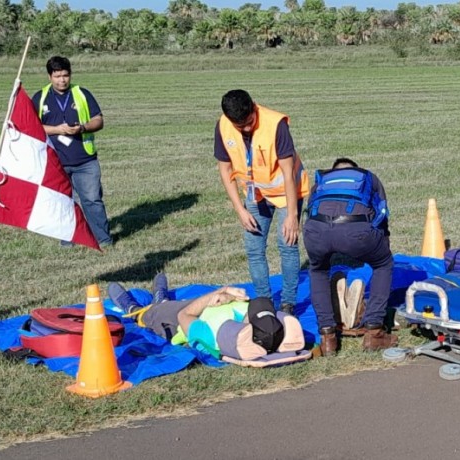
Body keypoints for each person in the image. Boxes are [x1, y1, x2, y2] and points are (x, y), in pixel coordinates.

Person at [214, 90, 309, 316]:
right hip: (255, 194)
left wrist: (292, 215)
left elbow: (288, 173)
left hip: (286, 193)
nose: (246, 129)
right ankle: (264, 303)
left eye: (249, 122)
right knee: (254, 249)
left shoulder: (276, 125)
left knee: (287, 245)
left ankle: (288, 304)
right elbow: (225, 169)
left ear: (254, 107)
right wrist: (240, 209)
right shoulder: (223, 126)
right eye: (240, 126)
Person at [303, 158, 395, 355]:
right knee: (383, 264)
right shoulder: (368, 178)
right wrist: (382, 243)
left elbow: (310, 210)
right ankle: (374, 331)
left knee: (318, 270)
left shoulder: (320, 181)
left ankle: (327, 337)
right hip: (354, 229)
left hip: (315, 231)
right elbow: (382, 213)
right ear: (355, 170)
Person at [107, 273, 304, 361]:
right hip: (209, 307)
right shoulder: (263, 324)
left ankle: (134, 307)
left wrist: (220, 292)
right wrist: (231, 297)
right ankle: (161, 298)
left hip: (178, 320)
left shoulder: (212, 336)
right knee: (179, 303)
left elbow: (185, 314)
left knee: (156, 313)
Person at [32, 56, 112, 247]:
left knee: (92, 200)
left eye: (65, 75)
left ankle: (103, 239)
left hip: (85, 161)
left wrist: (82, 128)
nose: (62, 80)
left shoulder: (82, 94)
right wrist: (57, 129)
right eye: (57, 76)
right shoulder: (40, 97)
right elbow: (32, 127)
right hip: (55, 162)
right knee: (62, 202)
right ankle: (69, 240)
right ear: (49, 76)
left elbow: (98, 120)